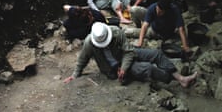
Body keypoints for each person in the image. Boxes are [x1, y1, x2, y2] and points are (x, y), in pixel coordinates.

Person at [64, 22, 197, 87]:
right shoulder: (89, 42)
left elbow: (128, 51)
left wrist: (124, 68)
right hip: (112, 68)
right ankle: (172, 80)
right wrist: (75, 75)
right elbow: (82, 60)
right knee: (147, 68)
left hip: (124, 56)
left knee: (156, 53)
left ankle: (181, 78)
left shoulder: (116, 32)